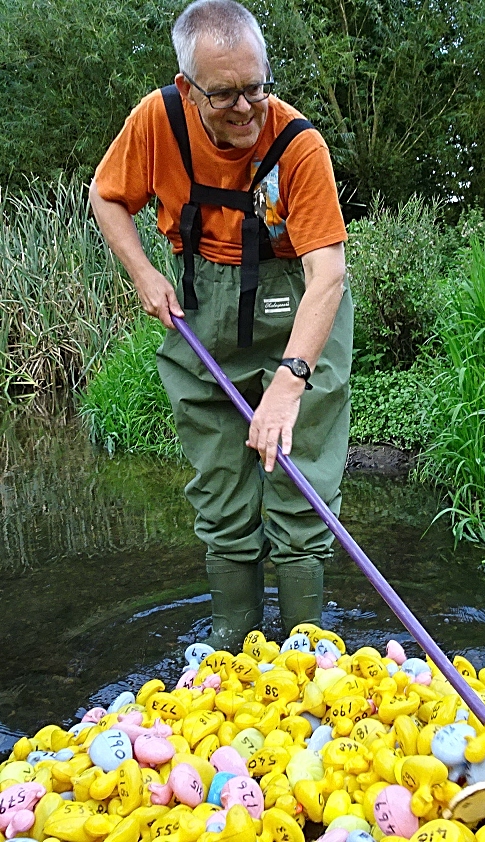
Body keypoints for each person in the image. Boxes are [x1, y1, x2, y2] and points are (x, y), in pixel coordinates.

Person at [89, 0, 352, 651]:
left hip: (296, 308)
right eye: (225, 94)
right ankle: (234, 641)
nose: (245, 108)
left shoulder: (298, 145)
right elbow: (106, 196)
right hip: (202, 312)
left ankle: (304, 649)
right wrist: (145, 274)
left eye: (256, 88)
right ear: (187, 87)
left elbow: (329, 277)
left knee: (299, 492)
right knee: (223, 497)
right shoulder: (157, 120)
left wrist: (289, 385)